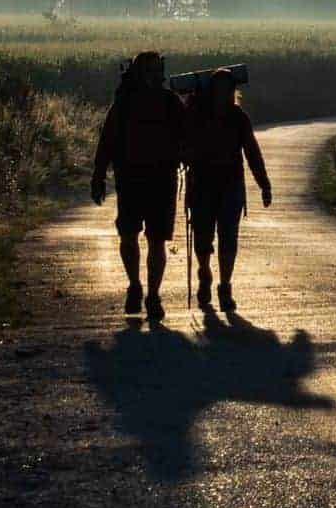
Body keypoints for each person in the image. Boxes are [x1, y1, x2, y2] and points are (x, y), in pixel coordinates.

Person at [91, 51, 185, 321]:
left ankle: (151, 294)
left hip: (160, 180)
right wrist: (98, 175)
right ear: (140, 74)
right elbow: (107, 140)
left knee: (156, 240)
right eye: (152, 71)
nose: (157, 76)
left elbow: (186, 136)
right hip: (132, 179)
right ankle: (136, 286)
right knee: (129, 235)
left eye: (159, 71)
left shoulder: (170, 103)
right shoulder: (125, 105)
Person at [186, 68, 272, 312]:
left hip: (230, 186)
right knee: (202, 237)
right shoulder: (197, 115)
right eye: (219, 88)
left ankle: (224, 286)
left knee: (228, 239)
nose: (223, 93)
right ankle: (204, 273)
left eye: (227, 89)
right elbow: (183, 142)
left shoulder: (238, 118)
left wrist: (264, 184)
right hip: (202, 185)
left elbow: (252, 152)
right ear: (211, 91)